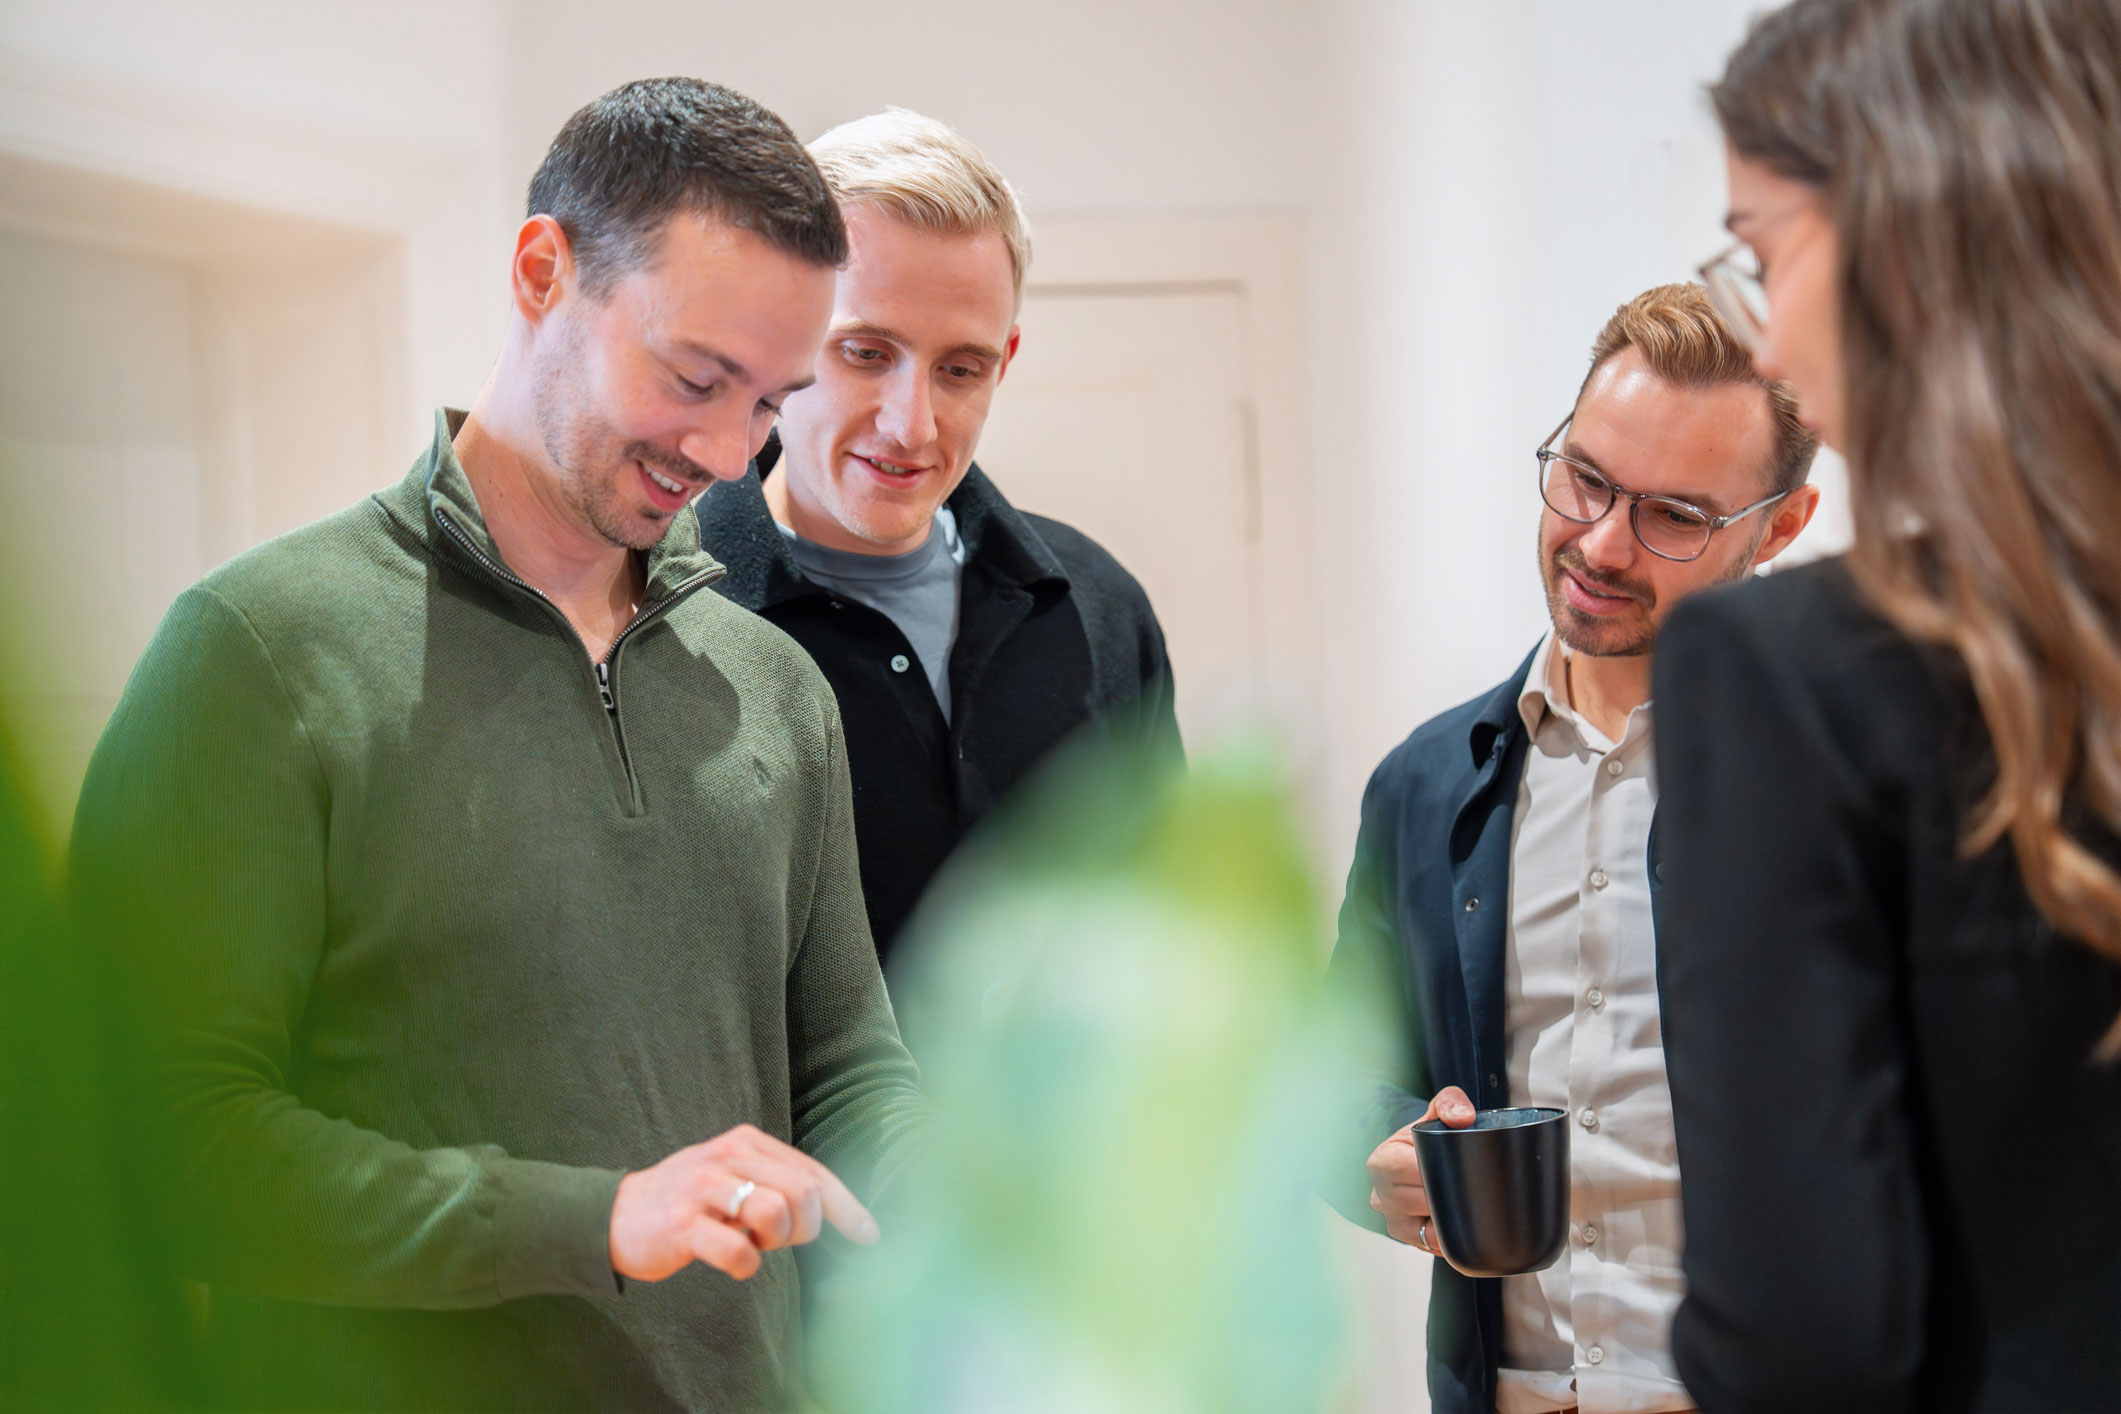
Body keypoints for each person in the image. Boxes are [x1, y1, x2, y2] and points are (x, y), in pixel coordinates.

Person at [68, 78, 926, 1412]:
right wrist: (590, 1221)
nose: (724, 448)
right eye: (695, 376)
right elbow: (163, 1144)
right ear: (543, 272)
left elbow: (848, 1066)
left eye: (768, 402)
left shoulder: (775, 688)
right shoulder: (257, 652)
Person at [1653, 1, 2121, 1409]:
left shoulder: (1786, 675)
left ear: (1911, 236)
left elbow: (1807, 1340)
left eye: (1763, 251)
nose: (1767, 338)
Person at [1325, 283, 1820, 1414]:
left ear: (1780, 527)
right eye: (1585, 478)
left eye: (1676, 516)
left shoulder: (1849, 784)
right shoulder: (1424, 782)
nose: (1599, 543)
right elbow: (1337, 1075)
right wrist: (1385, 1153)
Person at [696, 109, 1181, 981]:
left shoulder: (1101, 608)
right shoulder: (658, 611)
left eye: (959, 369)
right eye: (866, 353)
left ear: (1006, 359)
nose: (909, 425)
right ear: (780, 331)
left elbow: (1171, 950)